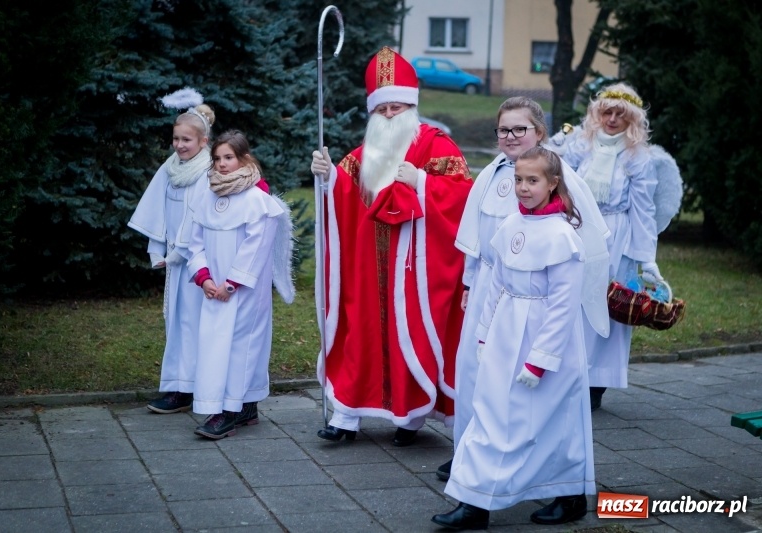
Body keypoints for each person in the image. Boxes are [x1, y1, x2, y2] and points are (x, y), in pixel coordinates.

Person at [436, 96, 610, 481]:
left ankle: (553, 475)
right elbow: (478, 238)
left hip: (540, 297)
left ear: (540, 132)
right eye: (504, 129)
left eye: (520, 129)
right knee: (474, 373)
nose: (511, 136)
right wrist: (468, 283)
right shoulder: (491, 174)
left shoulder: (558, 175)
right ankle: (469, 451)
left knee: (530, 388)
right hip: (489, 285)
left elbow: (583, 243)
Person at [309, 46, 473, 446]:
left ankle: (410, 419)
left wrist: (422, 183)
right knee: (359, 333)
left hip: (417, 268)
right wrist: (328, 177)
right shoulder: (362, 156)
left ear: (411, 106)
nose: (388, 116)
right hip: (367, 267)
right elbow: (344, 196)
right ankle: (346, 417)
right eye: (381, 110)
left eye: (396, 108)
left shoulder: (438, 146)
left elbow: (463, 198)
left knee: (411, 335)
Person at [187, 130, 294, 439]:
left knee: (241, 345)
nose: (222, 164)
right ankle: (241, 406)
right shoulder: (207, 196)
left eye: (229, 158)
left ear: (244, 159)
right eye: (217, 158)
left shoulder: (258, 201)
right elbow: (194, 242)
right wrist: (204, 277)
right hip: (212, 288)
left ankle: (230, 411)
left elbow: (256, 248)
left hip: (243, 289)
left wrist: (231, 283)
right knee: (214, 343)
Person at [561, 83, 660, 410]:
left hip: (616, 236)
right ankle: (567, 375)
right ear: (597, 113)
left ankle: (597, 383)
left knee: (607, 306)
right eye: (607, 112)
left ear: (631, 118)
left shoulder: (637, 157)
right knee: (572, 301)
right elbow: (561, 186)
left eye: (621, 114)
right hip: (577, 229)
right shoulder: (579, 145)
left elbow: (643, 210)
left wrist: (646, 259)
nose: (613, 119)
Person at [128, 89, 215, 415]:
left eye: (186, 140)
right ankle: (180, 385)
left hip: (199, 261)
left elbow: (200, 217)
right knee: (177, 322)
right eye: (176, 138)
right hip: (176, 261)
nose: (179, 145)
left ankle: (192, 388)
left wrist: (182, 251)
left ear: (203, 142)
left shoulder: (207, 172)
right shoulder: (171, 168)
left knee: (194, 322)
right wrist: (160, 249)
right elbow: (157, 209)